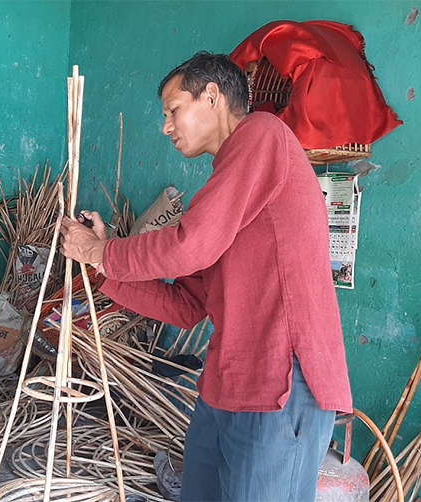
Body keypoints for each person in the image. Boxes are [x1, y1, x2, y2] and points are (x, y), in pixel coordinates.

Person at [59, 51, 352, 501]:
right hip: (228, 381)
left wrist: (104, 251)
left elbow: (189, 244)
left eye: (173, 111)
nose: (166, 127)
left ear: (212, 96)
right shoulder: (223, 195)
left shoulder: (263, 135)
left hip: (281, 380)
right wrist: (101, 265)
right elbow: (187, 306)